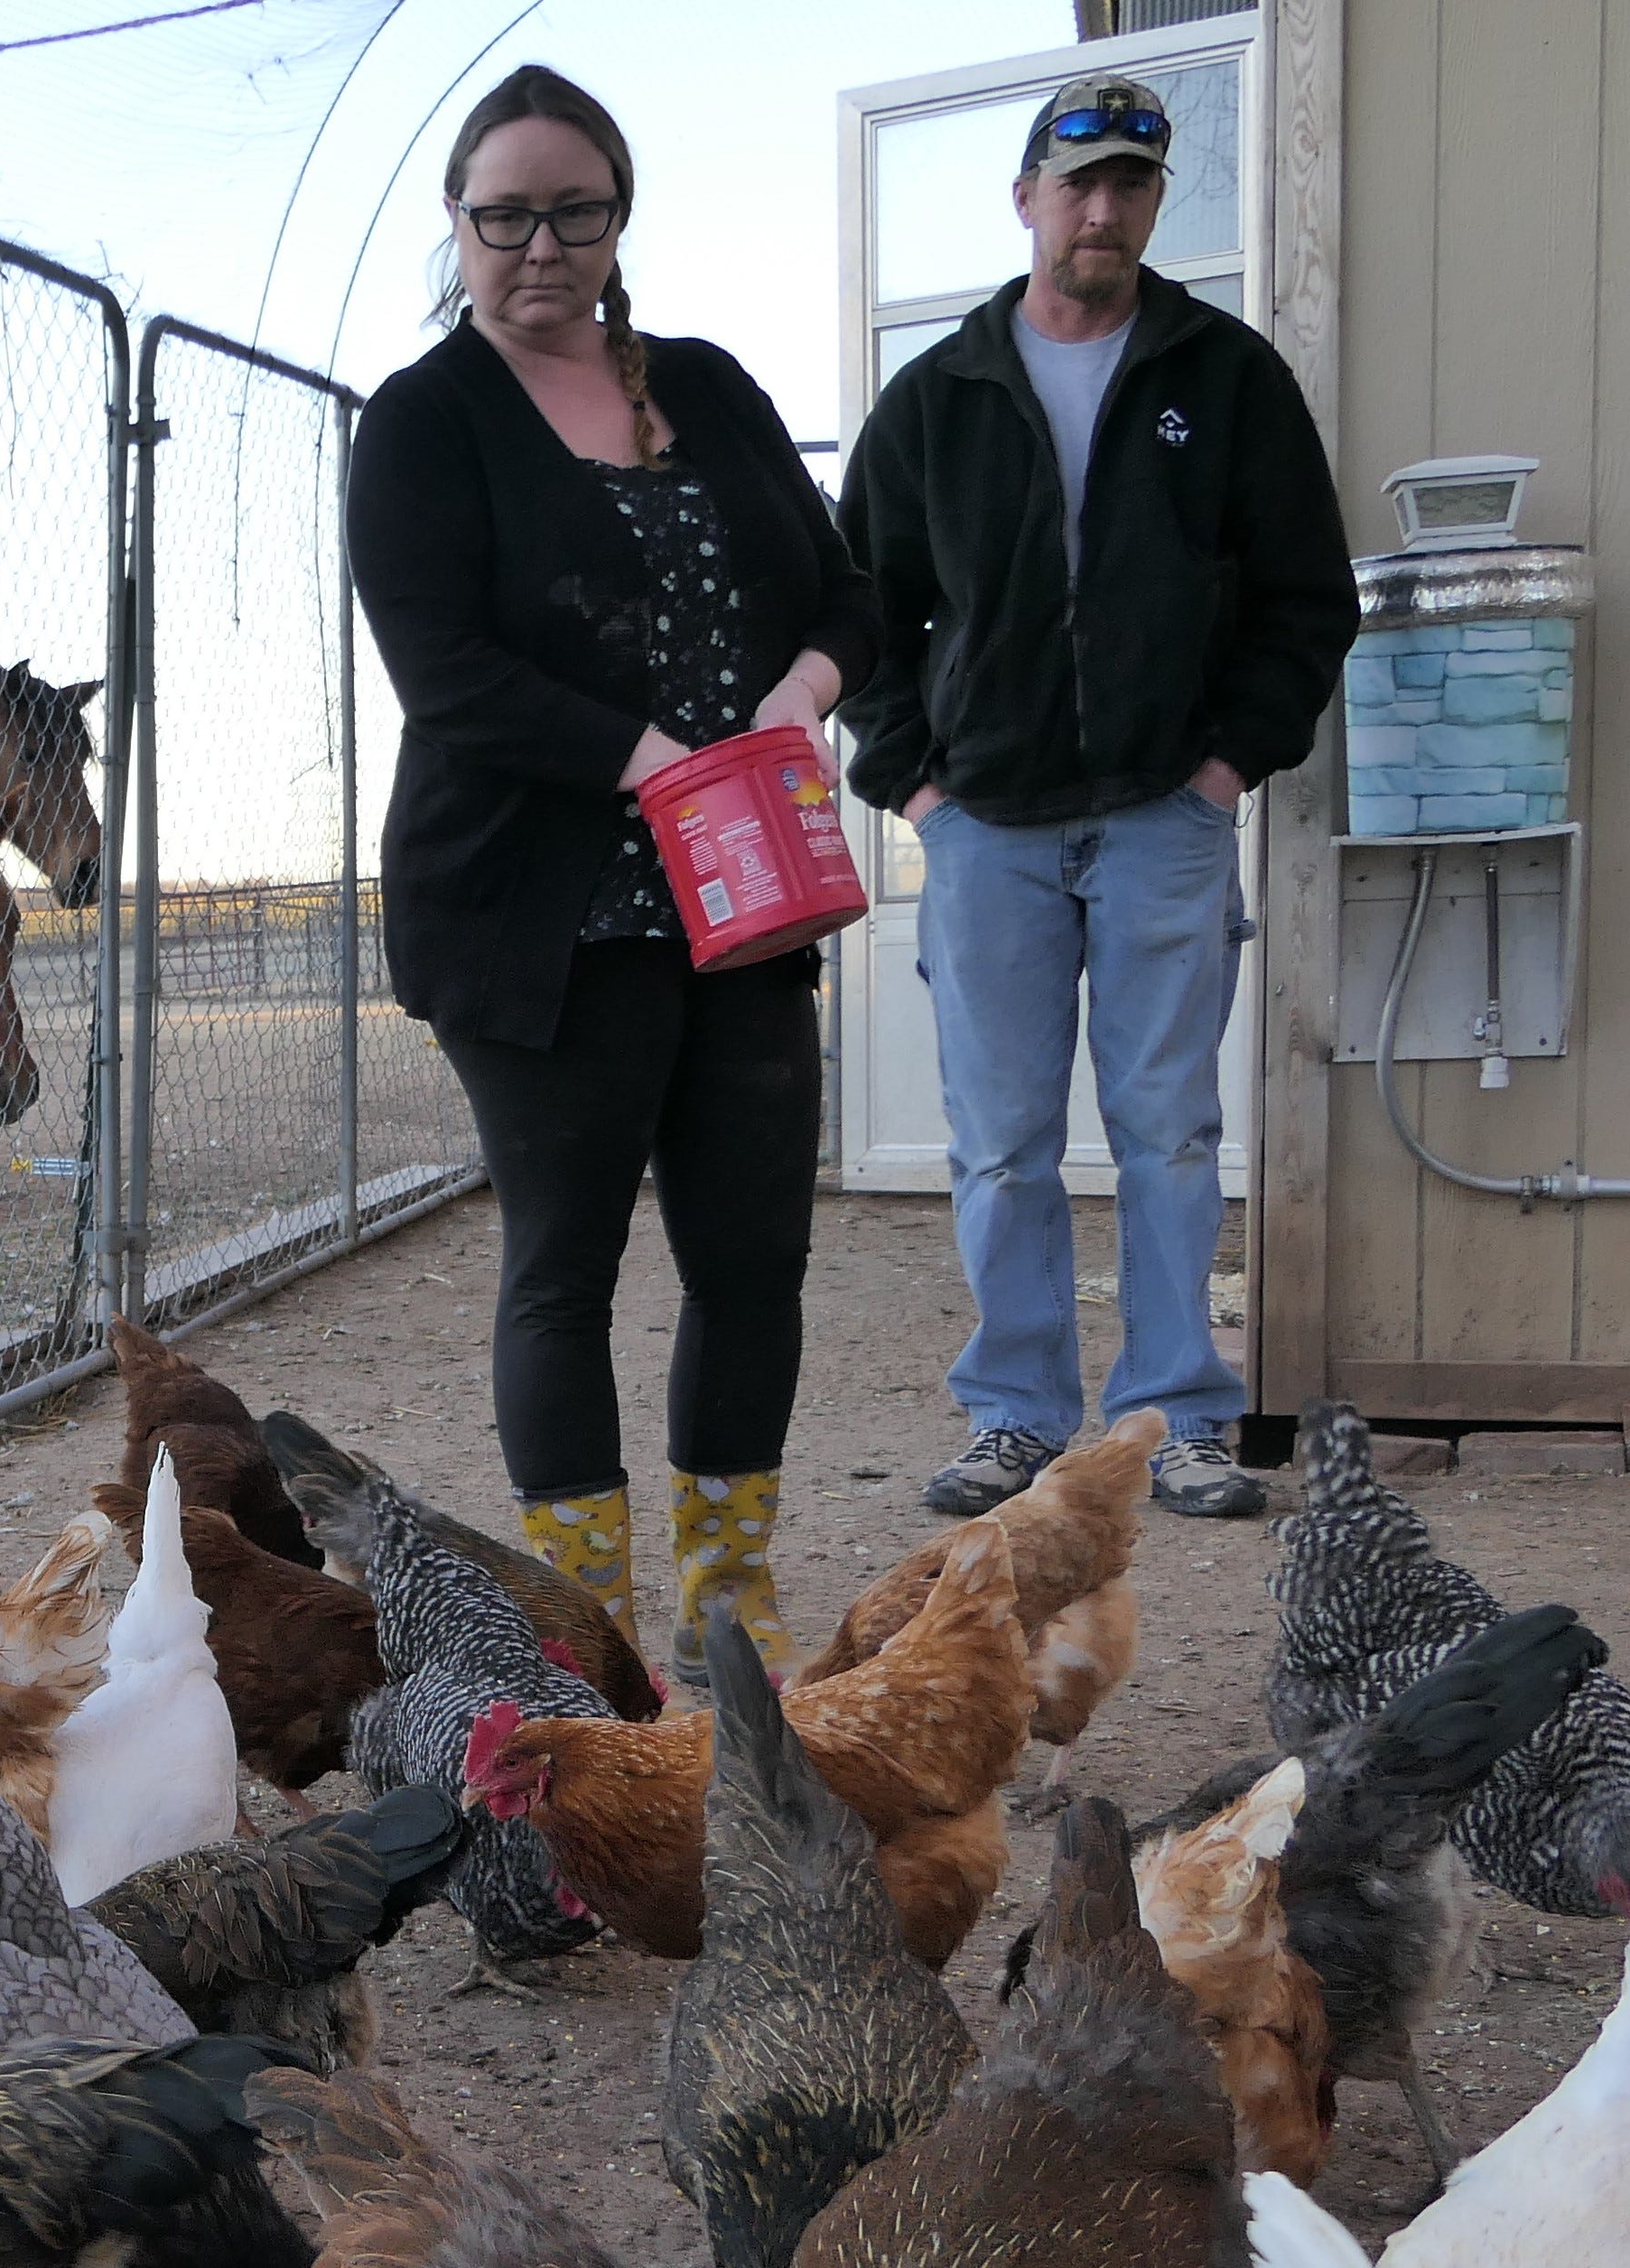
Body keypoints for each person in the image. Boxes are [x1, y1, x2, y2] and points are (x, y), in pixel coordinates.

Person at [347, 64, 880, 1679]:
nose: (537, 247)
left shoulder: (705, 389)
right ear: (458, 223)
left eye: (572, 212)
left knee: (750, 1256)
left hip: (742, 898)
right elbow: (443, 670)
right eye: (502, 216)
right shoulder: (426, 421)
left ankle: (729, 1596)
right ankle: (584, 1634)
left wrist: (800, 691)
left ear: (616, 217)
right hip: (543, 910)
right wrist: (653, 760)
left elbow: (845, 590)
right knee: (562, 1263)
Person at [839, 72, 1357, 1521]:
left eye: (1131, 184)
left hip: (1161, 816)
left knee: (1171, 1132)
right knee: (999, 1141)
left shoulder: (1224, 375)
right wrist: (914, 784)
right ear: (1026, 201)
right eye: (1077, 184)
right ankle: (1015, 1416)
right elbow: (861, 608)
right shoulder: (936, 397)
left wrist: (1222, 768)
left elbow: (1303, 600)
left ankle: (1176, 1415)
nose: (1103, 208)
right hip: (985, 825)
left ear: (1150, 206)